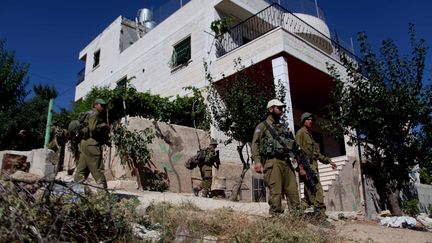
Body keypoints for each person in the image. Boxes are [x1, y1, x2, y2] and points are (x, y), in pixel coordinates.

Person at [252, 99, 300, 215]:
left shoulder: (284, 128)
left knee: (293, 190)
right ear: (270, 109)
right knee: (276, 191)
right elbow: (255, 143)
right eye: (278, 108)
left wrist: (298, 161)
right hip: (272, 162)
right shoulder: (262, 126)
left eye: (282, 108)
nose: (281, 110)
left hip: (286, 162)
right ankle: (276, 217)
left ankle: (297, 217)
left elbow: (292, 145)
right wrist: (257, 161)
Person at [295, 112, 337, 219]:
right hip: (306, 166)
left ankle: (297, 213)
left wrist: (329, 161)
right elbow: (297, 152)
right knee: (318, 188)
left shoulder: (310, 135)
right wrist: (301, 168)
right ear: (303, 121)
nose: (311, 121)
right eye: (308, 119)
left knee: (309, 193)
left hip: (313, 166)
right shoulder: (300, 133)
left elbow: (317, 154)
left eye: (312, 119)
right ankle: (320, 212)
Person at [74, 98, 110, 189]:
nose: (103, 107)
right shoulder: (95, 114)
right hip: (92, 145)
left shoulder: (89, 114)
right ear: (96, 105)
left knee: (82, 169)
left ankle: (75, 191)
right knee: (97, 168)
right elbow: (93, 128)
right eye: (102, 105)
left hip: (84, 143)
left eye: (104, 106)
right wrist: (104, 125)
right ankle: (104, 194)